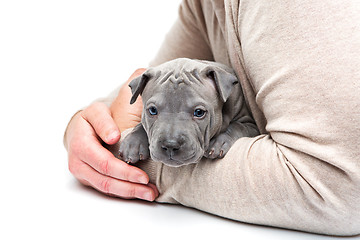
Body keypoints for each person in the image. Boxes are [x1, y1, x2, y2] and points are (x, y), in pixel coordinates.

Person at [63, 0, 360, 236]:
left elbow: (339, 192)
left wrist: (136, 163)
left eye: (198, 113)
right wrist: (85, 125)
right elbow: (160, 83)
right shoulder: (203, 5)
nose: (170, 139)